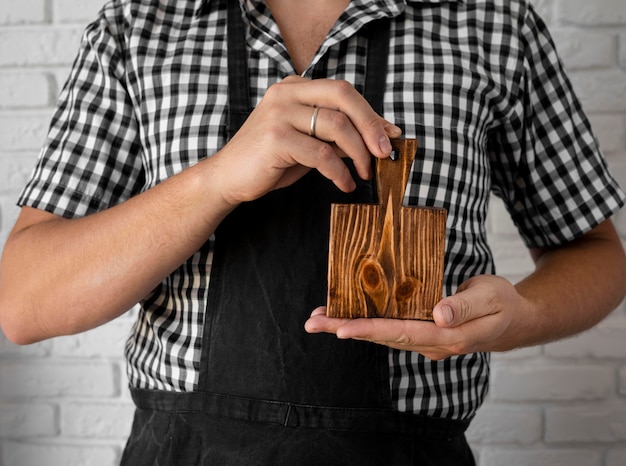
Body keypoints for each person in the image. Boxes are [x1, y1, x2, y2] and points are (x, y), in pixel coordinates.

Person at [1, 0, 625, 464]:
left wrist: (519, 316)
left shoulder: (495, 27)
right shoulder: (137, 30)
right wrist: (215, 180)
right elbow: (24, 303)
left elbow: (597, 254)